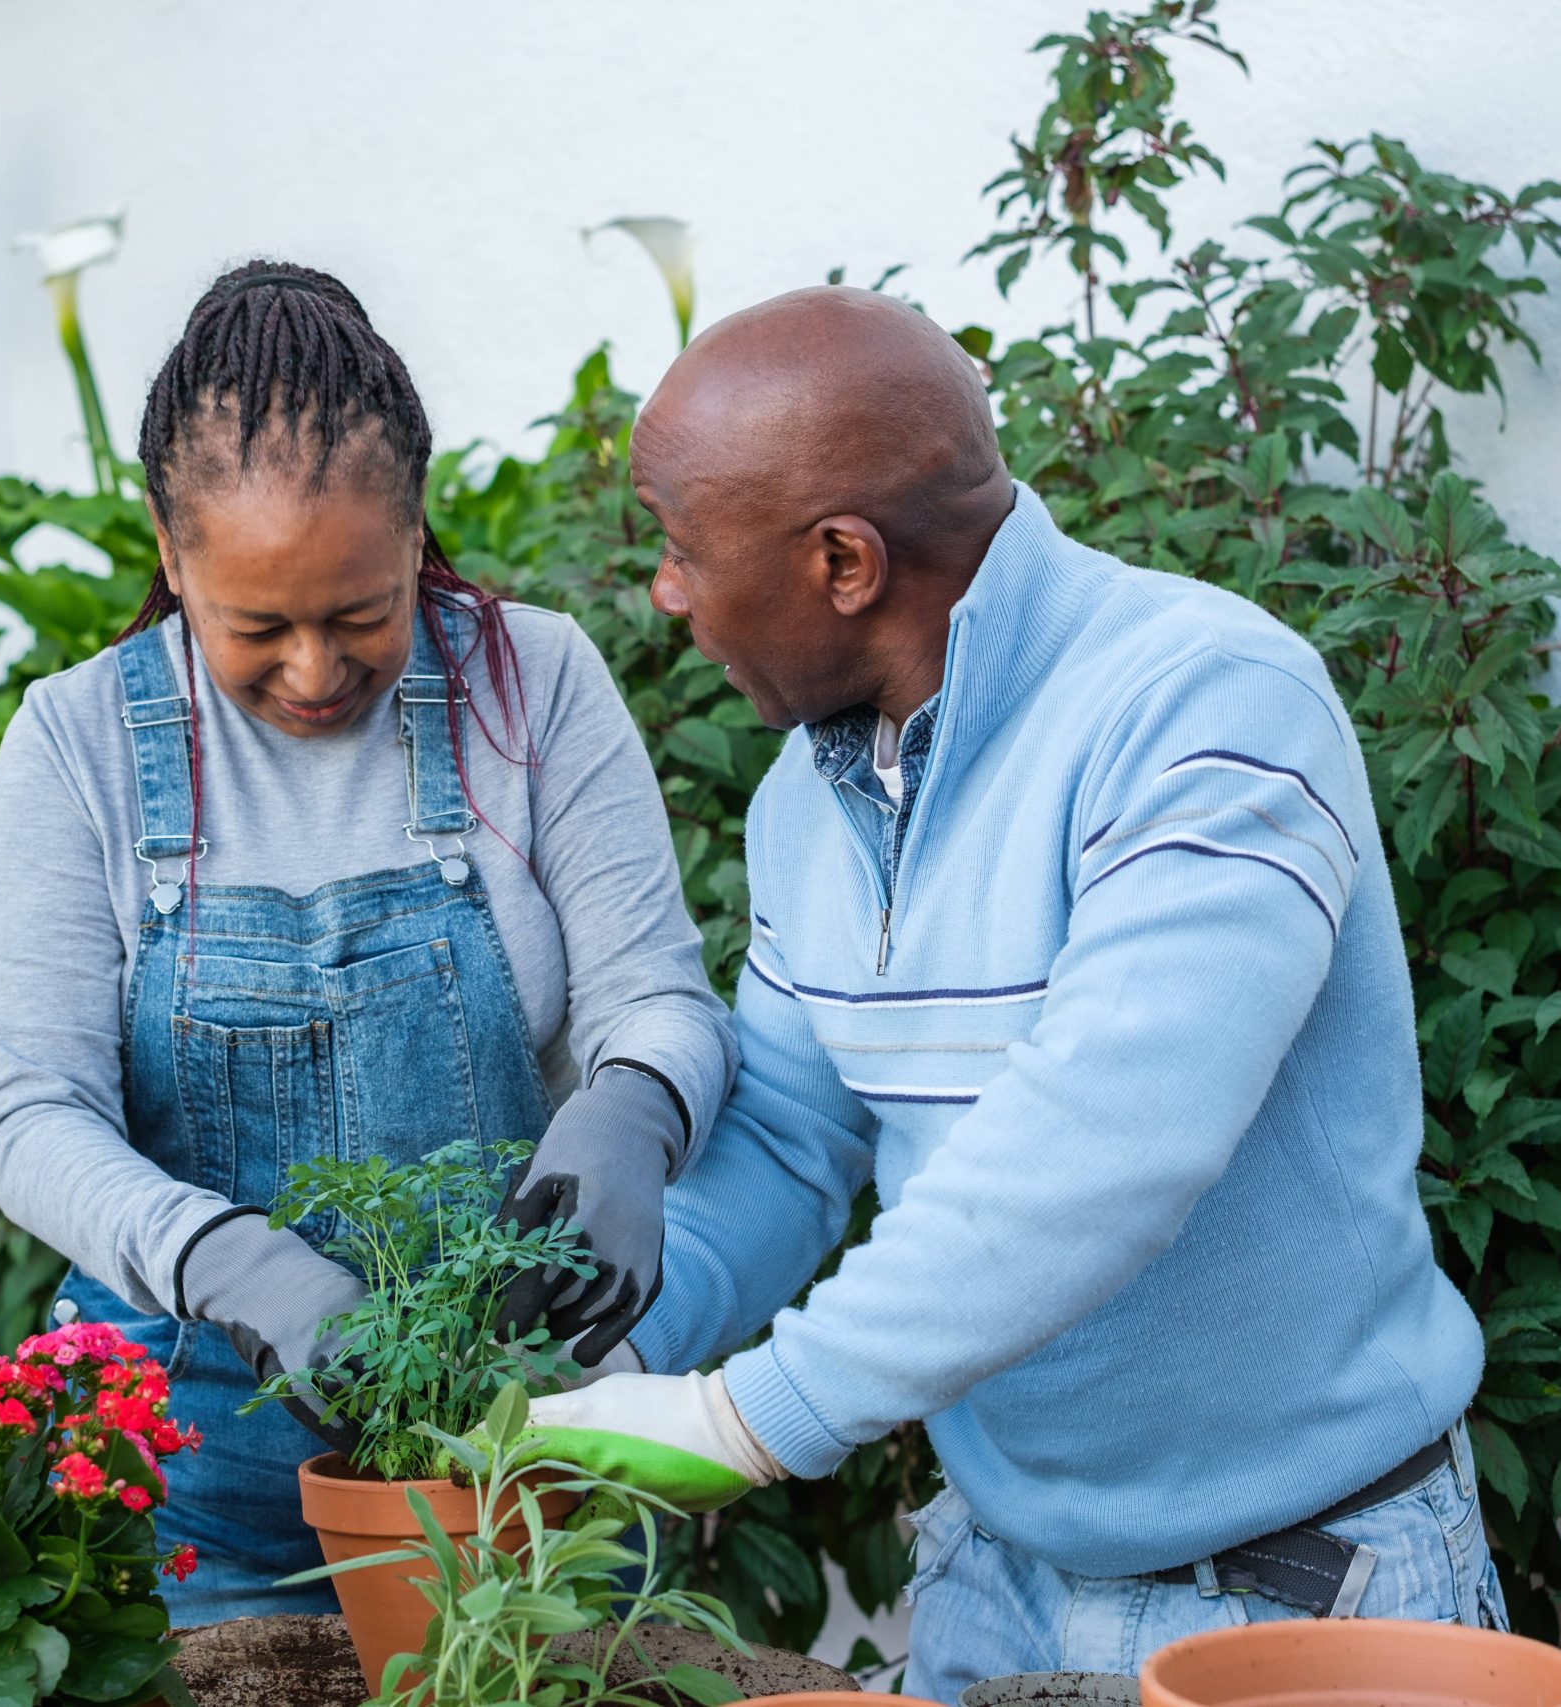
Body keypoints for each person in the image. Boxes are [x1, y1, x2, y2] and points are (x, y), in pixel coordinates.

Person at [530, 287, 1495, 1701]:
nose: (664, 592)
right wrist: (585, 1365)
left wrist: (745, 1419)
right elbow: (796, 1137)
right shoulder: (814, 797)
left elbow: (1110, 1140)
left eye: (684, 550)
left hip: (1287, 1596)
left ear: (844, 562)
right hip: (993, 1573)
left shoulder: (1208, 706)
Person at [0, 260, 734, 1622]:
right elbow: (31, 1114)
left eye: (362, 614)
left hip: (498, 1466)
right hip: (176, 1479)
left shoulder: (532, 684)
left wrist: (635, 1112)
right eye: (254, 626)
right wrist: (228, 1257)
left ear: (417, 529)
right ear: (167, 549)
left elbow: (655, 998)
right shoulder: (76, 746)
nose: (314, 672)